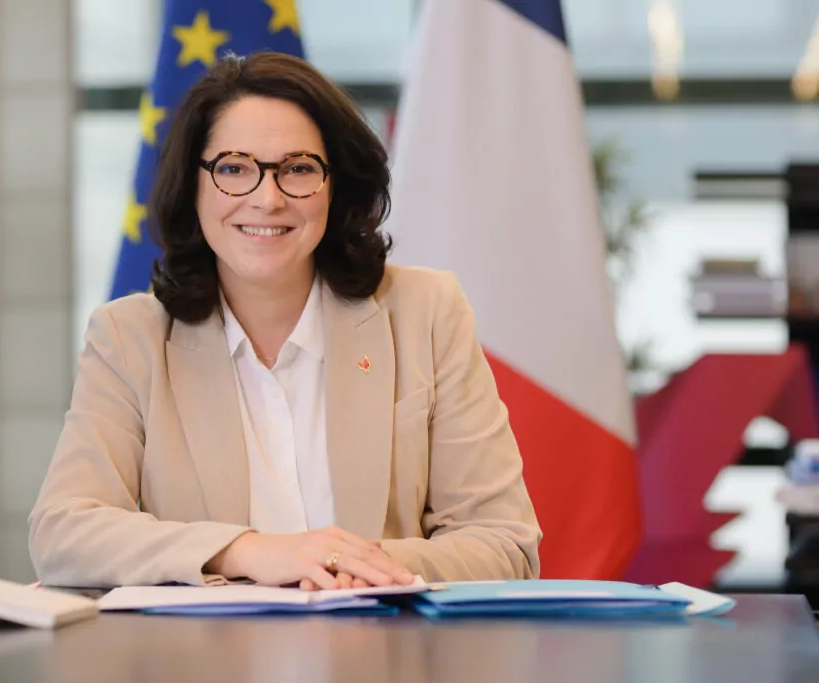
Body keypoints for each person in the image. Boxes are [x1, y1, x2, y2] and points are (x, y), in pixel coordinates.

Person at [28, 52, 541, 590]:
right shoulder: (129, 337)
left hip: (384, 641)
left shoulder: (427, 313)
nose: (267, 198)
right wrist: (248, 551)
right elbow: (63, 531)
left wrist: (345, 564)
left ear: (335, 186)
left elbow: (505, 543)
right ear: (192, 186)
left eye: (298, 169)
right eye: (233, 168)